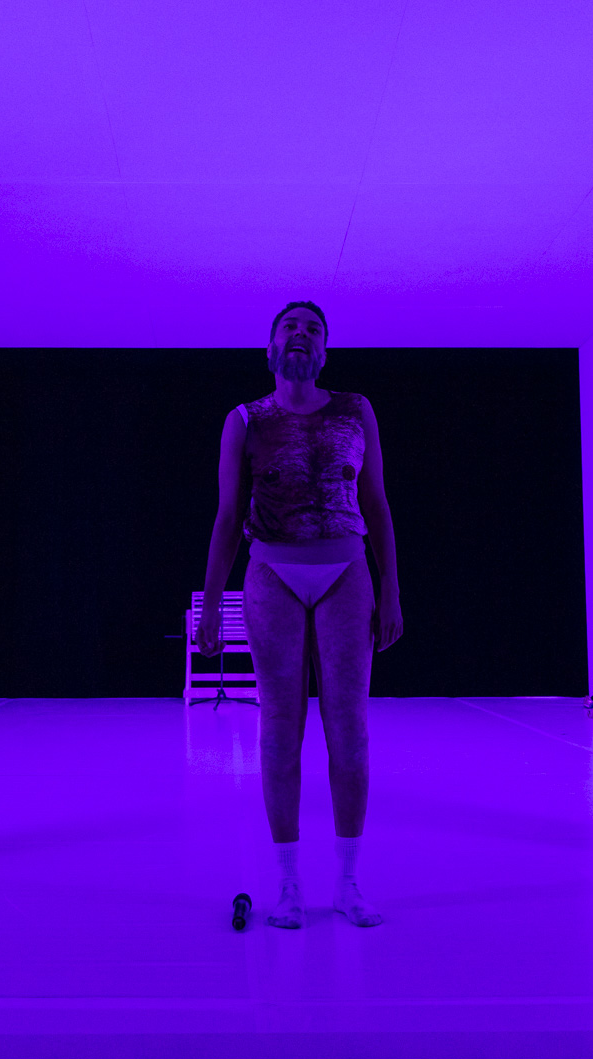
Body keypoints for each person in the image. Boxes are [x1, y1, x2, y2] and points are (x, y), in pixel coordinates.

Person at [196, 301, 403, 929]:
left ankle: (348, 881)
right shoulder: (245, 420)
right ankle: (287, 884)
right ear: (269, 349)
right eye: (289, 327)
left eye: (313, 329)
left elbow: (377, 503)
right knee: (280, 728)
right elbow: (227, 516)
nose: (300, 335)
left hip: (346, 570)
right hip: (272, 572)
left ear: (324, 351)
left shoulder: (356, 409)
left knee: (349, 729)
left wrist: (391, 589)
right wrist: (211, 603)